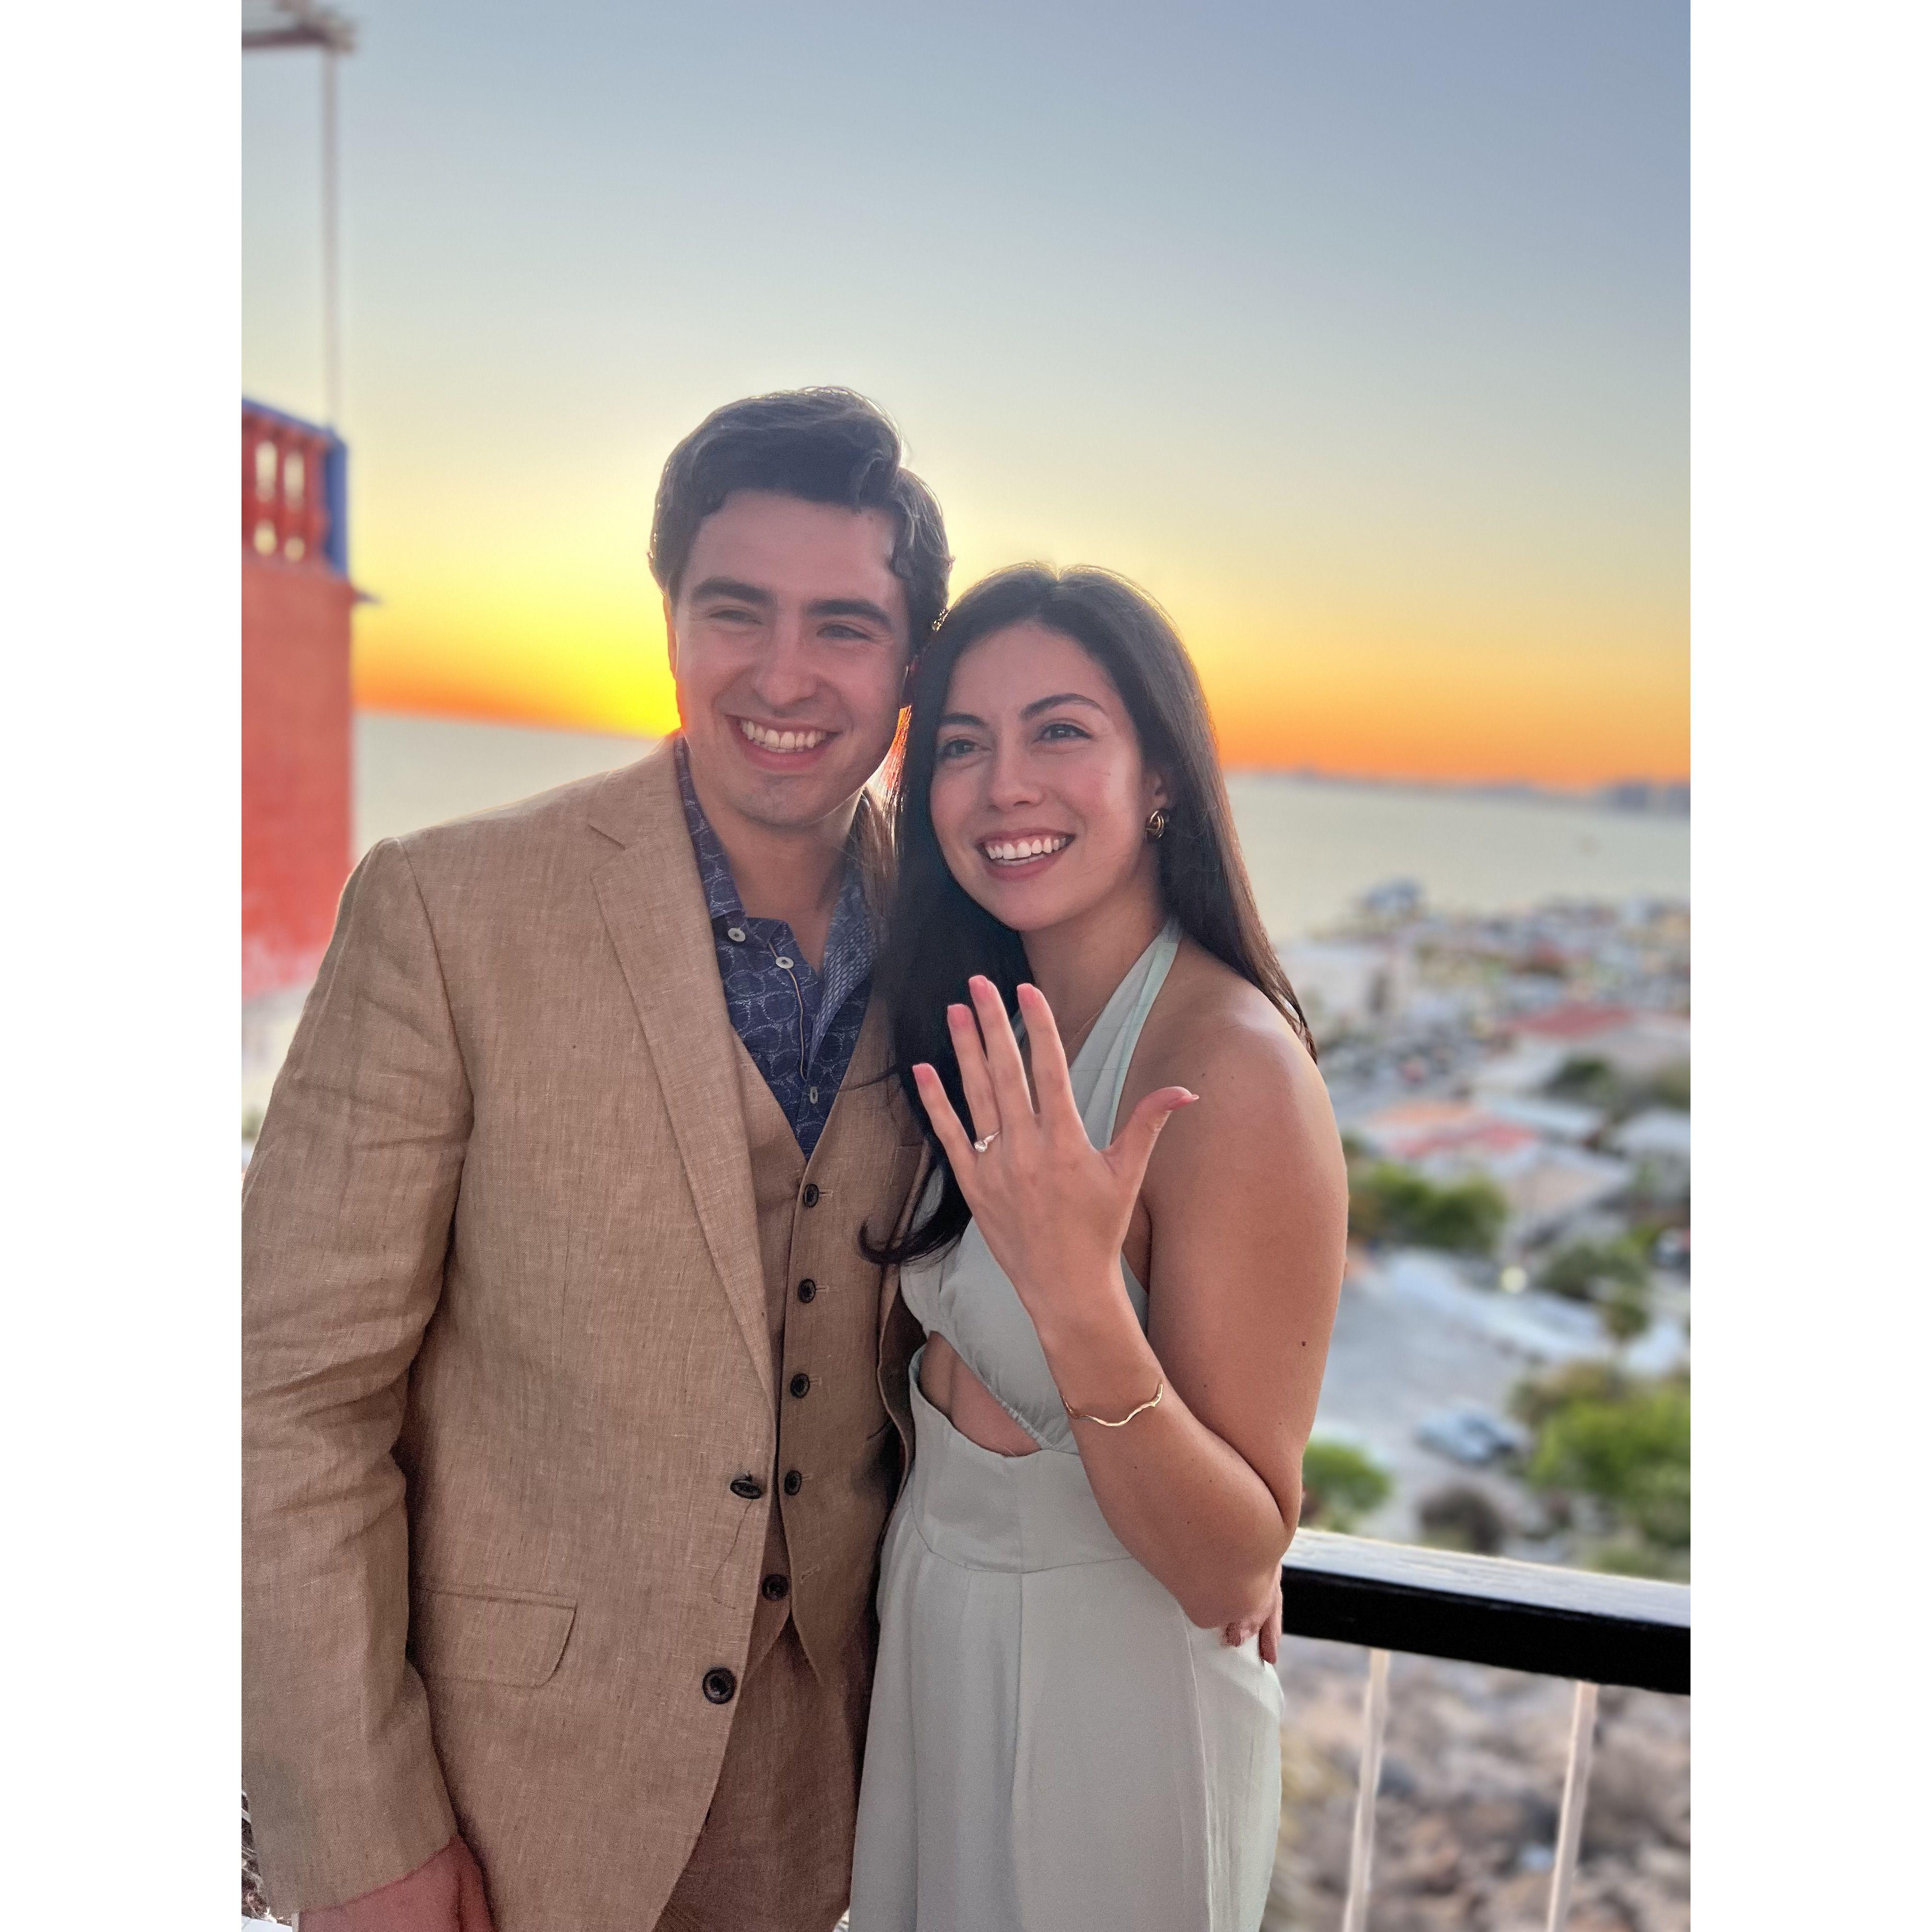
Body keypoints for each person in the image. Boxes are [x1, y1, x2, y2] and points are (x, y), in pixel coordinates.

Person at [242, 388, 954, 1931]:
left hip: (836, 1810)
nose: (783, 673)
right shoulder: (450, 908)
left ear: (911, 665)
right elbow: (285, 1400)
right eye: (735, 609)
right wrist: (361, 1835)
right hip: (503, 1808)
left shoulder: (953, 939)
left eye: (844, 626)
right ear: (671, 620)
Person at [850, 566, 1348, 1932]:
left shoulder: (1229, 1069)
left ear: (1162, 776)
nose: (1004, 784)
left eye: (1060, 731)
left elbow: (1231, 1565)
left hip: (1109, 1706)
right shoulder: (979, 1017)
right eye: (961, 744)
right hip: (936, 1642)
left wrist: (1078, 1297)